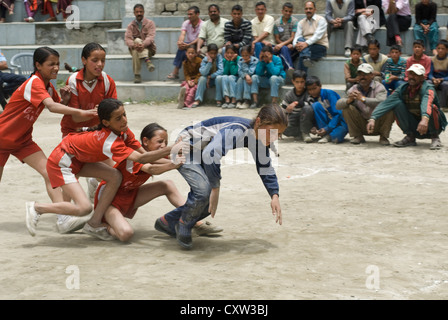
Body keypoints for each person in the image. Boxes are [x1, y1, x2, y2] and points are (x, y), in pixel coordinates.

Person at [25, 98, 184, 239]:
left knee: (115, 175)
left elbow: (145, 155)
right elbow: (143, 160)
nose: (124, 120)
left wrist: (175, 156)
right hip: (62, 161)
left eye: (124, 114)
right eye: (118, 118)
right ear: (106, 122)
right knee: (84, 207)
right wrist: (172, 150)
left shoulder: (123, 132)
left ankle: (94, 223)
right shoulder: (111, 141)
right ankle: (37, 208)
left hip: (78, 159)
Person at [154, 105, 287, 249]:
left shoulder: (259, 136)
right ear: (258, 122)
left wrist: (274, 195)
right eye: (271, 132)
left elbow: (265, 166)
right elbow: (210, 153)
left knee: (208, 199)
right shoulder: (238, 129)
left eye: (278, 134)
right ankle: (184, 224)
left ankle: (168, 221)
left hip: (201, 152)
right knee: (205, 191)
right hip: (185, 148)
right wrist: (215, 188)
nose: (274, 138)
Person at [0, 47, 96, 212]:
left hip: (22, 141)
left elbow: (57, 106)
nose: (56, 68)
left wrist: (65, 101)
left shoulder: (48, 87)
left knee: (50, 173)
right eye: (51, 64)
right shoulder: (34, 82)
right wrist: (82, 112)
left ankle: (62, 216)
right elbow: (51, 107)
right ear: (38, 65)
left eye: (57, 64)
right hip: (2, 138)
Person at [97, 123, 222, 241]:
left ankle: (195, 221)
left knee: (166, 185)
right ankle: (100, 226)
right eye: (160, 142)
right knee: (125, 234)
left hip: (129, 195)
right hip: (110, 201)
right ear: (145, 141)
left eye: (166, 142)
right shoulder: (134, 154)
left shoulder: (158, 154)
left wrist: (202, 144)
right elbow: (151, 168)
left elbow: (178, 154)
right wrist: (173, 164)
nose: (163, 146)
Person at [368, 64, 447, 150]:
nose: (412, 77)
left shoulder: (428, 88)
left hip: (429, 124)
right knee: (397, 104)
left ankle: (435, 137)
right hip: (415, 124)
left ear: (422, 77)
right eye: (411, 74)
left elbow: (426, 103)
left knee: (432, 107)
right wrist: (373, 118)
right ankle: (410, 136)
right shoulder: (402, 88)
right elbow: (387, 102)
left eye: (416, 75)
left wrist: (424, 119)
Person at [60, 43, 117, 138]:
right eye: (95, 60)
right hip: (74, 131)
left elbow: (113, 112)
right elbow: (76, 117)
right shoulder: (73, 81)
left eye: (103, 61)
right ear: (84, 60)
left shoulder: (107, 81)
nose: (100, 64)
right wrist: (100, 111)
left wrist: (105, 112)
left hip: (99, 130)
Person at [336, 63, 393, 145]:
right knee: (347, 108)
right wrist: (349, 100)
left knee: (389, 110)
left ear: (372, 75)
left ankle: (383, 136)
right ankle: (357, 136)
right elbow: (338, 105)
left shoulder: (379, 87)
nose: (362, 77)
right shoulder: (354, 88)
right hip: (362, 123)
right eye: (360, 74)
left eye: (365, 74)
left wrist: (363, 99)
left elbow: (382, 102)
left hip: (377, 122)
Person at [306, 75, 348, 143]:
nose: (312, 92)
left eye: (314, 88)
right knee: (316, 105)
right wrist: (313, 127)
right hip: (326, 123)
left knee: (336, 137)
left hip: (340, 122)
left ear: (320, 86)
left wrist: (327, 128)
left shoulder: (329, 94)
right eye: (309, 90)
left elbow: (338, 114)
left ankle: (327, 134)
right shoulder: (309, 98)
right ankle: (325, 134)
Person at [166, 6, 203, 80]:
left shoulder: (203, 24)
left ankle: (175, 72)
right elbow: (182, 34)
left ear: (197, 14)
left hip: (199, 45)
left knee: (185, 50)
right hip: (189, 45)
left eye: (191, 14)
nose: (189, 16)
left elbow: (200, 38)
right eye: (188, 14)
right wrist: (180, 42)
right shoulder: (186, 23)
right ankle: (176, 73)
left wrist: (188, 45)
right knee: (181, 49)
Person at [292, 1, 329, 72]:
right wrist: (296, 45)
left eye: (310, 8)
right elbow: (297, 36)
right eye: (306, 9)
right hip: (304, 46)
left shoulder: (321, 20)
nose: (308, 10)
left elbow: (317, 36)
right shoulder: (301, 22)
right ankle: (306, 57)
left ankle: (299, 78)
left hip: (319, 46)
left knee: (302, 54)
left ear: (315, 10)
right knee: (300, 42)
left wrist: (305, 44)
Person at [125, 4, 157, 84]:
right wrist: (134, 45)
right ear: (134, 13)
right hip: (135, 48)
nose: (139, 13)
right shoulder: (131, 25)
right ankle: (147, 61)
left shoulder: (150, 23)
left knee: (137, 46)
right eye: (137, 12)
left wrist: (143, 44)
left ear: (144, 12)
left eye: (141, 11)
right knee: (136, 44)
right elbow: (127, 39)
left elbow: (151, 36)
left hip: (149, 49)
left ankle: (137, 75)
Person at [281, 70, 313, 142]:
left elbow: (311, 103)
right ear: (293, 81)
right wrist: (287, 109)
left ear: (305, 82)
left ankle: (305, 132)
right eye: (297, 82)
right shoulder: (289, 94)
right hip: (294, 118)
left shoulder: (308, 92)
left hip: (307, 118)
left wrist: (297, 103)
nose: (299, 84)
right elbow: (283, 110)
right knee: (283, 127)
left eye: (302, 82)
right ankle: (299, 133)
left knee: (307, 109)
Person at [192, 43, 223, 108]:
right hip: (207, 79)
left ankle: (219, 99)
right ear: (208, 53)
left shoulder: (219, 57)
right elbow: (203, 73)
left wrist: (211, 76)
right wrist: (209, 63)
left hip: (215, 78)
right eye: (211, 53)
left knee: (219, 78)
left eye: (215, 53)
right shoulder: (205, 60)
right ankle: (198, 99)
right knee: (202, 78)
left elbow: (221, 70)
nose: (213, 55)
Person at [273, 2, 298, 76]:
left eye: (290, 11)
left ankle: (285, 71)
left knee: (282, 54)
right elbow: (277, 38)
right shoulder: (276, 23)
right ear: (282, 11)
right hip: (282, 46)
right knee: (283, 50)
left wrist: (283, 45)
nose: (288, 13)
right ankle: (290, 67)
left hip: (291, 46)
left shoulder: (294, 21)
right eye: (286, 11)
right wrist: (283, 45)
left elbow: (292, 37)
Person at [177, 45, 202, 110]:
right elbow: (186, 74)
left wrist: (195, 81)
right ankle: (181, 99)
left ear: (195, 54)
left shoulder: (199, 61)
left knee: (192, 89)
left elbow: (200, 73)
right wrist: (188, 81)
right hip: (190, 80)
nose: (190, 54)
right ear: (186, 54)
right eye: (189, 53)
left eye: (192, 53)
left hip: (197, 80)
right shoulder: (185, 63)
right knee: (186, 87)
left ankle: (186, 103)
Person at [216, 44, 240, 109]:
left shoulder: (239, 59)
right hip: (228, 77)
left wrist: (231, 61)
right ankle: (227, 99)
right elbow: (225, 72)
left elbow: (234, 72)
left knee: (231, 77)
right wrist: (227, 61)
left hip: (237, 77)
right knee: (224, 77)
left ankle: (233, 100)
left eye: (232, 53)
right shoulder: (224, 60)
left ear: (235, 53)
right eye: (228, 53)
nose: (229, 55)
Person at [429, 40, 448, 110]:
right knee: (428, 83)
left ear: (447, 50)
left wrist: (442, 79)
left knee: (446, 85)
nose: (440, 50)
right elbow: (430, 74)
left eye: (443, 49)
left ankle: (443, 105)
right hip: (435, 79)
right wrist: (433, 79)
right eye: (438, 48)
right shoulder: (433, 60)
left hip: (444, 80)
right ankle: (431, 104)